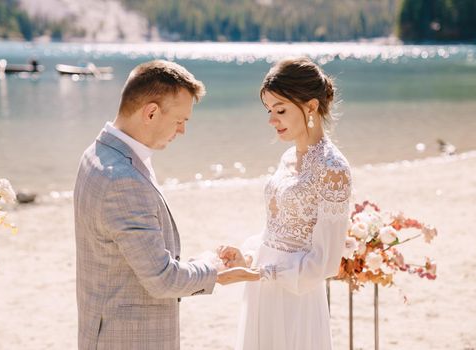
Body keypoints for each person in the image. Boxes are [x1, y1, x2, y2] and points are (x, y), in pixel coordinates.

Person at [74, 60, 257, 350]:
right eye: (180, 120)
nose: (182, 130)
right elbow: (161, 279)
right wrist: (214, 271)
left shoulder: (97, 153)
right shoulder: (123, 179)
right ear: (151, 112)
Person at [218, 57, 352, 350]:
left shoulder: (333, 169)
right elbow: (276, 232)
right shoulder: (288, 158)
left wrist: (264, 273)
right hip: (261, 293)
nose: (271, 119)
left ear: (311, 106)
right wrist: (248, 258)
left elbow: (325, 263)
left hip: (296, 300)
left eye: (280, 110)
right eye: (269, 110)